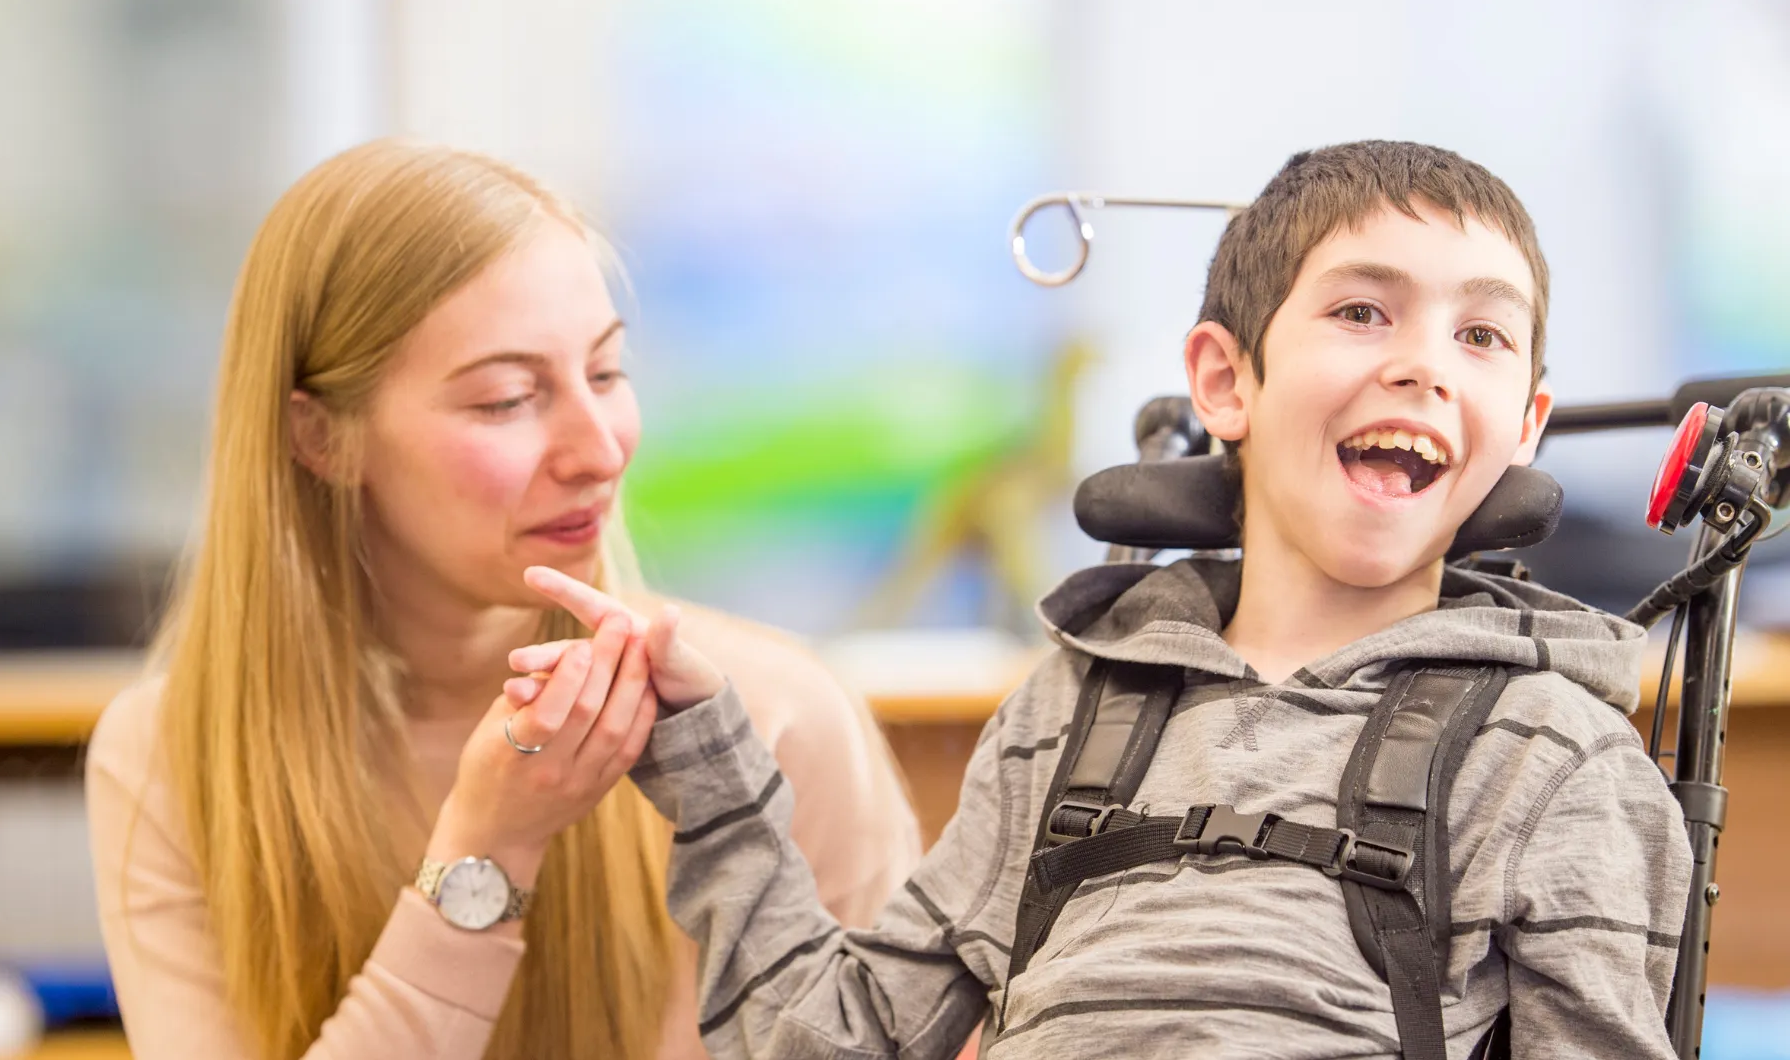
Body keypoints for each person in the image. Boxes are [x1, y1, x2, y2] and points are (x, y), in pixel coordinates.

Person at [514, 141, 1695, 1058]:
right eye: (1361, 311)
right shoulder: (1069, 716)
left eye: (1482, 333)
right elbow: (826, 1037)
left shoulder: (1557, 759)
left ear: (1523, 428)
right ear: (1225, 381)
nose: (1425, 362)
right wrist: (710, 767)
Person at [83, 138, 922, 1060]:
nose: (600, 450)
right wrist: (486, 853)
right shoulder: (172, 761)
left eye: (606, 374)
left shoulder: (779, 718)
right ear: (320, 437)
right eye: (508, 400)